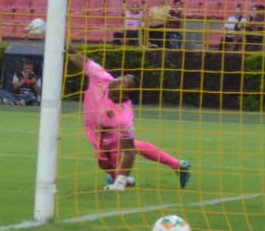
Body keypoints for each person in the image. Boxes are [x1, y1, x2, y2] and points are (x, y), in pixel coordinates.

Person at [65, 44, 190, 191]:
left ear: (125, 94)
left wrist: (120, 183)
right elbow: (78, 56)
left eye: (124, 82)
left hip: (108, 133)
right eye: (123, 77)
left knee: (106, 160)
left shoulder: (123, 118)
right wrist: (54, 33)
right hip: (95, 128)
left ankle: (121, 180)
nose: (119, 79)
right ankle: (176, 164)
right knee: (122, 152)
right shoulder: (102, 77)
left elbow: (129, 152)